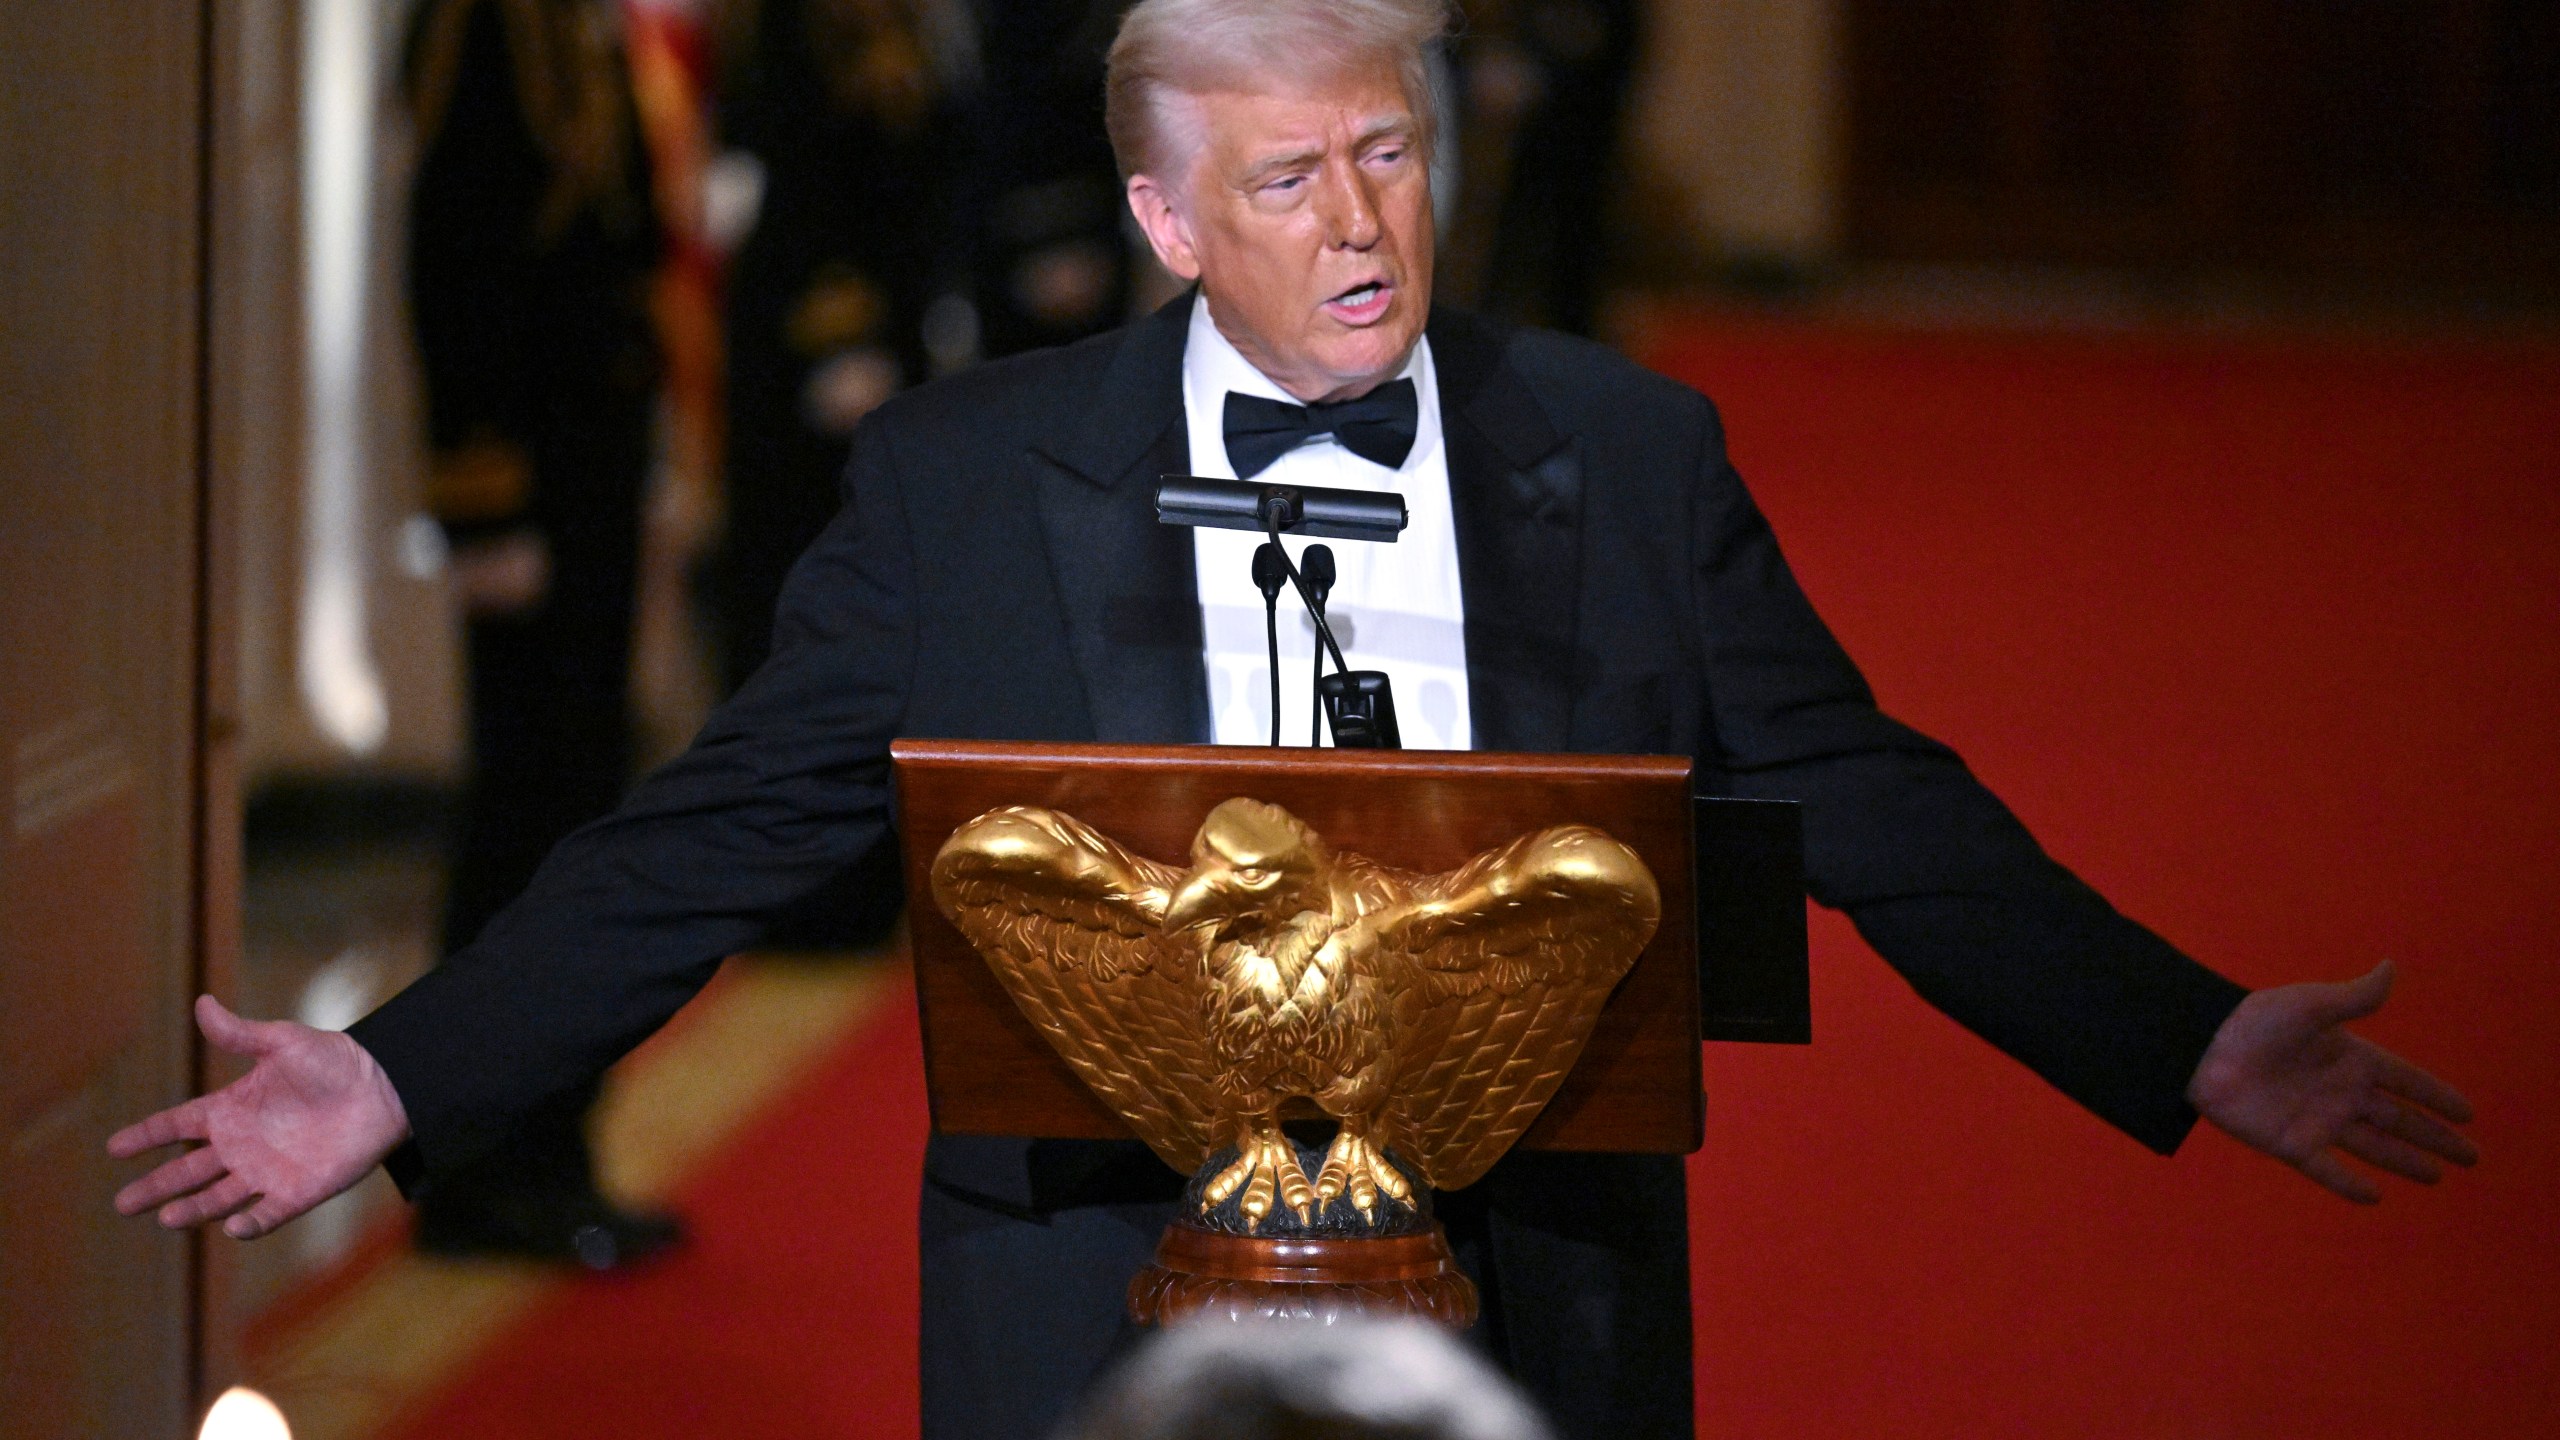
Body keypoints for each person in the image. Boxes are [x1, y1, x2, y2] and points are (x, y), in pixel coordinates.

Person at [112, 0, 2477, 1434]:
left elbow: (1859, 794)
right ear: (1161, 221)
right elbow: (714, 827)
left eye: (1388, 153)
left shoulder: (1619, 454)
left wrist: (2177, 1034)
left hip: (1530, 1296)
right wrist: (405, 1067)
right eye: (1281, 180)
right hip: (1089, 1310)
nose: (1356, 227)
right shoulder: (963, 482)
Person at [398, 0, 683, 1266]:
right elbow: (452, 249)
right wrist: (479, 494)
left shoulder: (571, 23)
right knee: (526, 817)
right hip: (531, 487)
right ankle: (482, 1162)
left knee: (573, 798)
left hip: (589, 467)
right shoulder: (486, 21)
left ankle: (548, 1146)